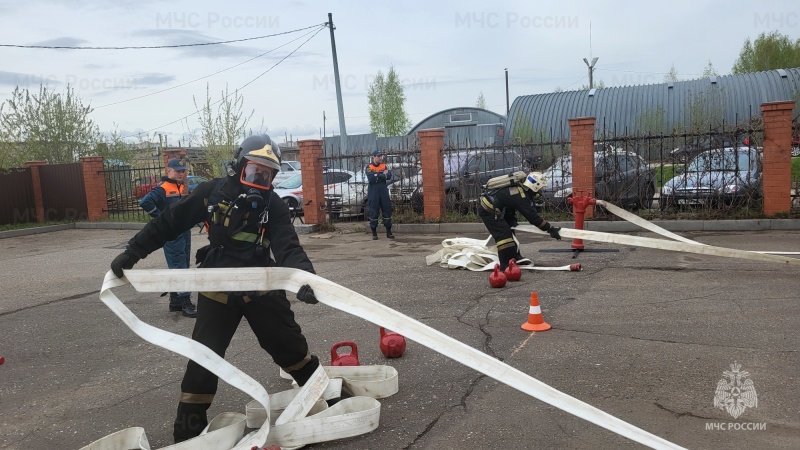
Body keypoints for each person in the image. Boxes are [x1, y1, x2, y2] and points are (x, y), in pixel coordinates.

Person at [111, 134, 323, 443]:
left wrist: (305, 277)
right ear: (237, 167)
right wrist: (132, 252)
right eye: (254, 171)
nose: (258, 181)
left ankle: (323, 396)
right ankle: (188, 434)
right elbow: (169, 222)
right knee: (204, 359)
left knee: (289, 348)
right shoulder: (212, 194)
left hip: (261, 288)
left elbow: (287, 246)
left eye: (266, 175)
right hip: (217, 288)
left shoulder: (272, 206)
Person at [138, 157, 197, 318]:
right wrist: (161, 219)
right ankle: (185, 301)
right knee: (179, 266)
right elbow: (145, 202)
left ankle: (175, 301)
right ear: (168, 171)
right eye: (177, 171)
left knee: (183, 262)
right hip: (172, 234)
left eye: (182, 171)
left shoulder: (179, 187)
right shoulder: (163, 188)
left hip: (182, 231)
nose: (180, 173)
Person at [478, 171, 562, 271]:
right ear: (535, 186)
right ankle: (504, 266)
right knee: (504, 236)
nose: (540, 191)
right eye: (540, 188)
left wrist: (511, 219)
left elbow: (508, 203)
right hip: (488, 210)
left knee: (510, 231)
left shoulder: (519, 190)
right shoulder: (520, 196)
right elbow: (533, 217)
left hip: (496, 208)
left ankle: (515, 257)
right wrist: (550, 229)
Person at [366, 149, 394, 240]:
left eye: (380, 156)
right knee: (374, 211)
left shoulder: (384, 166)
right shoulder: (369, 167)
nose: (380, 158)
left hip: (383, 191)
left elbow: (389, 176)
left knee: (387, 210)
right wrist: (382, 175)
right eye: (378, 156)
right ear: (373, 157)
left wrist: (377, 175)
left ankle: (389, 232)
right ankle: (374, 233)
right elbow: (371, 178)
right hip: (373, 192)